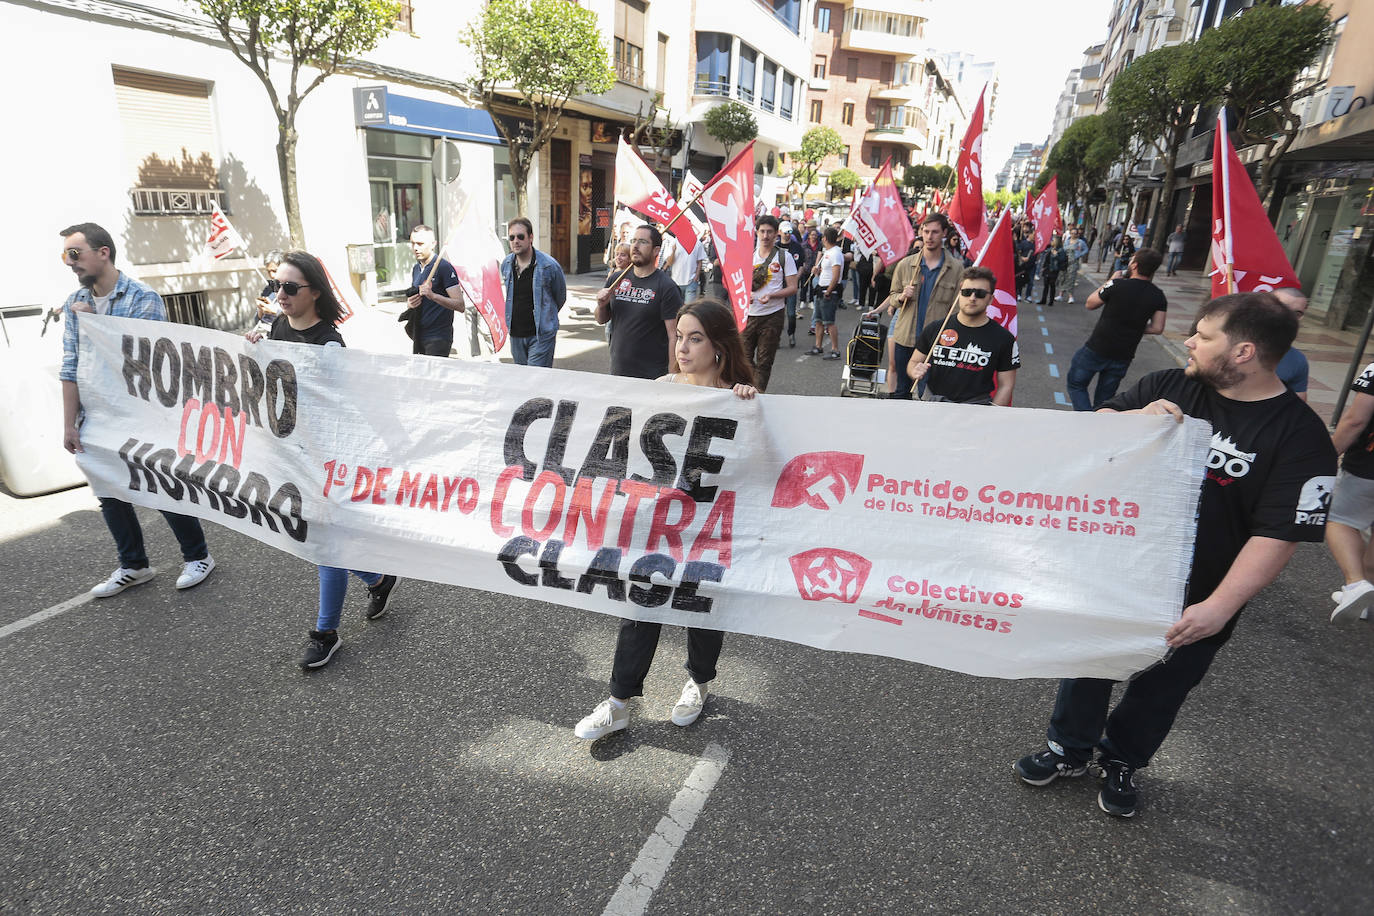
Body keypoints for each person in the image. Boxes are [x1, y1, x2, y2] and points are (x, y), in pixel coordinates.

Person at [1014, 292, 1337, 818]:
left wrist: (1219, 608)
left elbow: (1278, 536)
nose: (1188, 340)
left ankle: (1121, 759)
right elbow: (1089, 440)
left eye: (1204, 335)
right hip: (1120, 570)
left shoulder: (1301, 440)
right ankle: (1068, 748)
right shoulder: (1168, 385)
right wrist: (1134, 420)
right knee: (1090, 662)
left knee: (1163, 686)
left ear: (1243, 352)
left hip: (1205, 592)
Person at [575, 298, 758, 740]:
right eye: (680, 336)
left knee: (701, 607)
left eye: (696, 339)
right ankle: (619, 702)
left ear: (718, 347)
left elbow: (758, 465)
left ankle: (699, 681)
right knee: (642, 602)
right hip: (660, 523)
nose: (684, 346)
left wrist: (749, 405)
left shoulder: (738, 398)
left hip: (709, 525)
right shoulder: (660, 387)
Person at [246, 252, 399, 669]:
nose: (280, 294)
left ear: (314, 292)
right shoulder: (277, 325)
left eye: (290, 287)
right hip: (290, 452)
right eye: (277, 285)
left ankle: (326, 632)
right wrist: (256, 347)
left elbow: (343, 404)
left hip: (325, 457)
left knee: (324, 544)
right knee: (318, 539)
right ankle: (377, 578)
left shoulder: (329, 342)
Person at [58, 222, 217, 598]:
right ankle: (134, 565)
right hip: (95, 415)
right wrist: (68, 423)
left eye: (75, 254)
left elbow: (145, 364)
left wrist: (95, 324)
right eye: (65, 256)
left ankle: (198, 556)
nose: (70, 263)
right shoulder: (72, 304)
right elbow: (71, 364)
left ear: (103, 252)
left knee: (158, 482)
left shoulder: (142, 297)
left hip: (138, 414)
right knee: (110, 489)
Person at [868, 213, 964, 400]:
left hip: (936, 343)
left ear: (944, 233)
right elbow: (893, 295)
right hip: (905, 339)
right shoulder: (906, 265)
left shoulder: (957, 268)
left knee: (932, 394)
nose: (929, 236)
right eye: (926, 231)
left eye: (935, 232)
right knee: (902, 391)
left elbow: (958, 309)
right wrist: (902, 297)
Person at [1065, 248, 1167, 412]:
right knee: (1105, 399)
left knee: (1076, 384)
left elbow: (1090, 303)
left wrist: (1110, 281)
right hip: (1124, 354)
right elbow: (1157, 327)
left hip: (1097, 347)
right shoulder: (1158, 295)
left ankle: (1087, 419)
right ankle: (1099, 422)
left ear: (1135, 265)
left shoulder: (1117, 284)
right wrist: (1135, 326)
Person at [907, 266, 1018, 406]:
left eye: (980, 293)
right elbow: (913, 362)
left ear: (990, 299)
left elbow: (1006, 385)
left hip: (976, 409)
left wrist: (992, 416)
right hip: (934, 404)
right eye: (967, 292)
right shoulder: (936, 328)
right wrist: (914, 371)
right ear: (959, 294)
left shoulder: (1004, 338)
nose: (972, 298)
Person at [595, 224, 682, 379]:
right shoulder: (616, 279)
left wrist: (672, 375)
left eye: (643, 242)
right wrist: (601, 305)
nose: (635, 246)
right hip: (618, 370)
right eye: (634, 240)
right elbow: (601, 319)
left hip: (651, 375)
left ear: (656, 251)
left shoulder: (666, 287)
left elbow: (673, 335)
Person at [1326, 359, 1374, 622]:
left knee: (1339, 520)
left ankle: (1357, 585)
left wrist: (1328, 454)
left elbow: (1355, 420)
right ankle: (1366, 601)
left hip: (1367, 467)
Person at [741, 215, 799, 390]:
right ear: (756, 232)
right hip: (748, 315)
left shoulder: (784, 257)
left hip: (772, 315)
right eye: (762, 231)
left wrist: (772, 296)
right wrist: (744, 296)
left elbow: (793, 287)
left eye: (769, 232)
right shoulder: (747, 257)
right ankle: (744, 392)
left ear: (776, 234)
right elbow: (736, 284)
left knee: (765, 362)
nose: (765, 236)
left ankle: (757, 396)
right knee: (744, 359)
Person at [500, 217, 567, 368]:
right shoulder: (506, 264)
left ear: (530, 237)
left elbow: (560, 296)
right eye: (512, 237)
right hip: (516, 334)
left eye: (520, 236)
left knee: (535, 380)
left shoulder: (549, 266)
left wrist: (547, 315)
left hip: (541, 335)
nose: (516, 241)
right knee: (523, 381)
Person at [400, 225, 465, 357]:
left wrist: (433, 296)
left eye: (420, 244)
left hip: (438, 337)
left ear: (433, 244)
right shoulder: (416, 268)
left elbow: (460, 305)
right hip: (418, 334)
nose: (415, 248)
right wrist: (410, 304)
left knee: (434, 376)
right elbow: (417, 299)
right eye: (412, 243)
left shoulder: (444, 267)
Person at [808, 227, 846, 359]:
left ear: (825, 238)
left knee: (829, 322)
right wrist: (817, 271)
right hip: (821, 289)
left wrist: (829, 291)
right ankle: (818, 346)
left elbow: (836, 275)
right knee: (818, 320)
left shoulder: (835, 253)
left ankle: (835, 350)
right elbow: (827, 272)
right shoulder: (828, 252)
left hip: (828, 291)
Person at [1272, 287, 1310, 402]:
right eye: (1282, 309)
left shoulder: (1297, 360)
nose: (1289, 317)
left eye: (1297, 313)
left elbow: (1297, 407)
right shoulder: (1230, 347)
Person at [779, 221, 809, 348]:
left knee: (791, 313)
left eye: (789, 232)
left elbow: (802, 265)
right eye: (785, 232)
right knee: (778, 314)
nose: (787, 235)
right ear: (779, 232)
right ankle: (777, 337)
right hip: (778, 286)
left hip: (791, 286)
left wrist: (795, 278)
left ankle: (791, 334)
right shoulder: (775, 247)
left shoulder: (797, 247)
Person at [1037, 235, 1068, 306]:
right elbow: (1046, 259)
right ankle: (1043, 299)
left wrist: (1056, 255)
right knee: (1045, 285)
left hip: (1054, 270)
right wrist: (1043, 267)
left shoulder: (1061, 250)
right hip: (1047, 269)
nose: (1051, 242)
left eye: (1053, 240)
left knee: (1052, 285)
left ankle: (1051, 301)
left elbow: (1062, 260)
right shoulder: (1050, 249)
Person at [1061, 228, 1088, 305]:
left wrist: (1079, 254)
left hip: (1074, 262)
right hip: (1066, 262)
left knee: (1071, 278)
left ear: (1077, 234)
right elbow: (1064, 249)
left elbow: (1086, 249)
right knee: (1063, 277)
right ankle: (1060, 295)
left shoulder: (1080, 242)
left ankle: (1070, 296)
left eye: (1075, 233)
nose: (1073, 235)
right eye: (1072, 233)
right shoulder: (1067, 241)